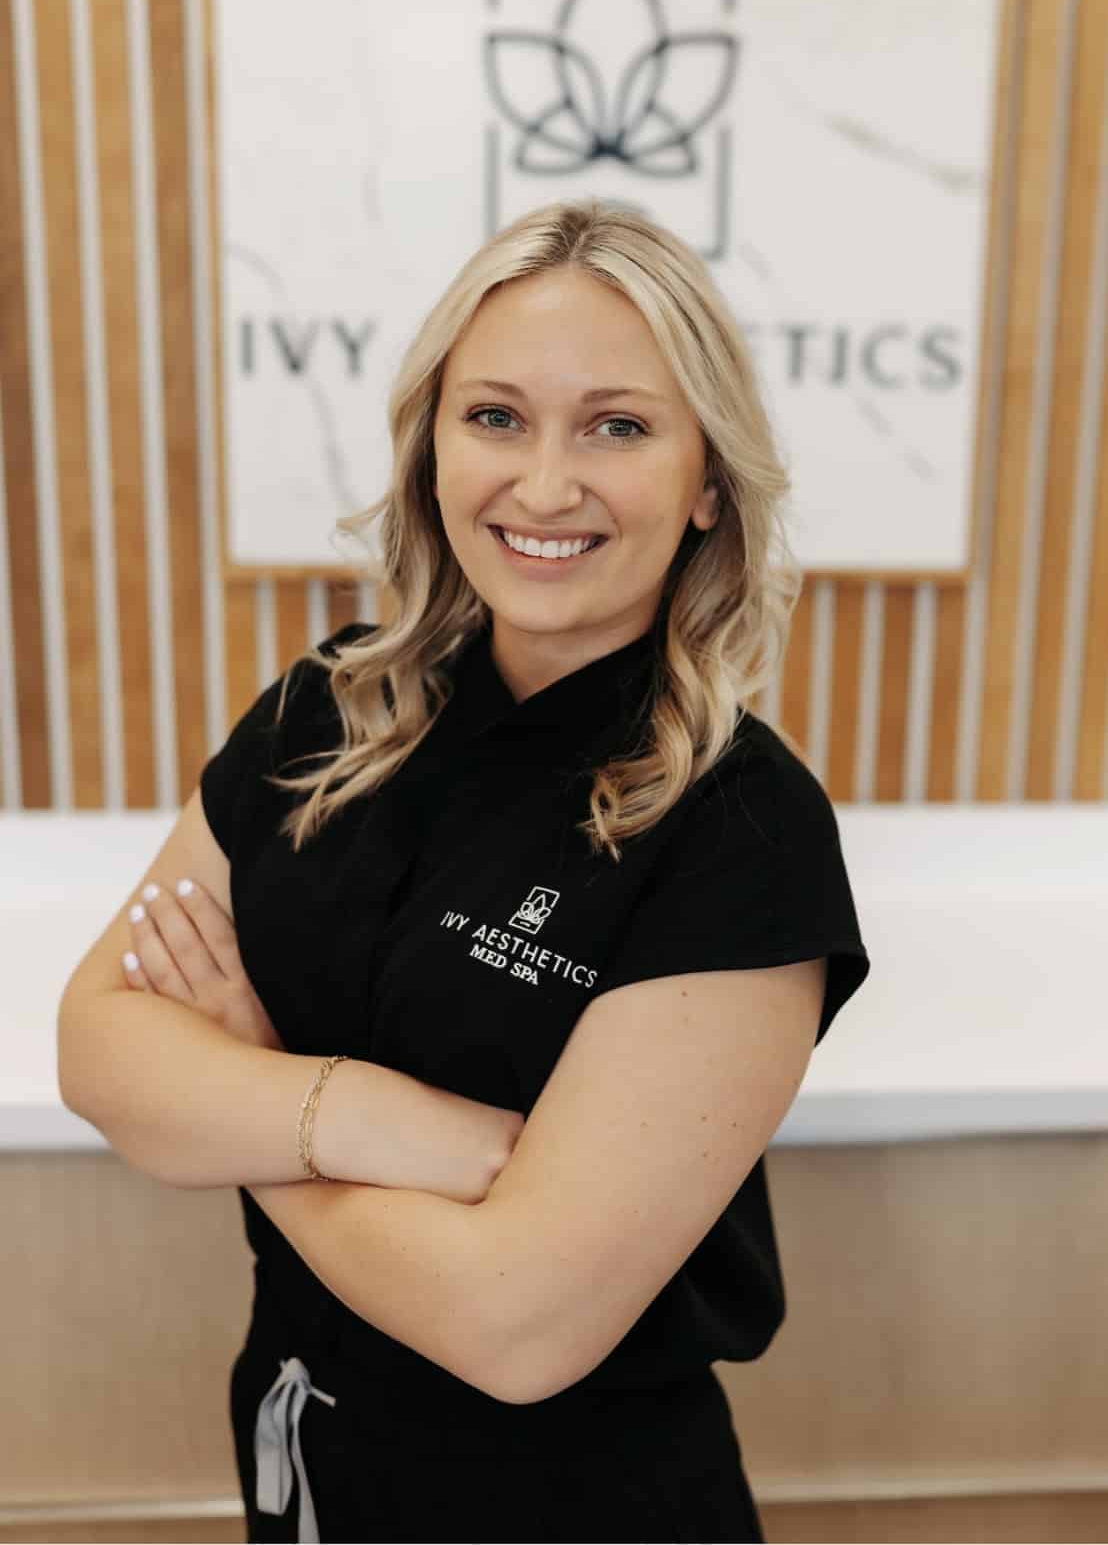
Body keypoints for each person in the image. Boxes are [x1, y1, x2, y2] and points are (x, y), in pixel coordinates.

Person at [161, 200, 871, 1541]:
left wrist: (236, 1107)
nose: (544, 485)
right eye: (495, 417)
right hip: (310, 1467)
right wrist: (368, 1118)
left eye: (617, 425)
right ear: (433, 447)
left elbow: (516, 1326)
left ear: (709, 476)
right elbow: (102, 1048)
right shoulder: (332, 704)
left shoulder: (747, 830)